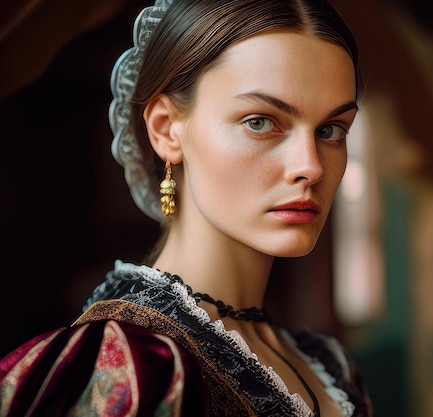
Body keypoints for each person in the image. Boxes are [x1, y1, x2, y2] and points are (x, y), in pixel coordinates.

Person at [0, 0, 372, 416]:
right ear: (165, 130)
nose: (311, 166)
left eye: (330, 130)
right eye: (260, 121)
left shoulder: (330, 364)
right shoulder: (129, 368)